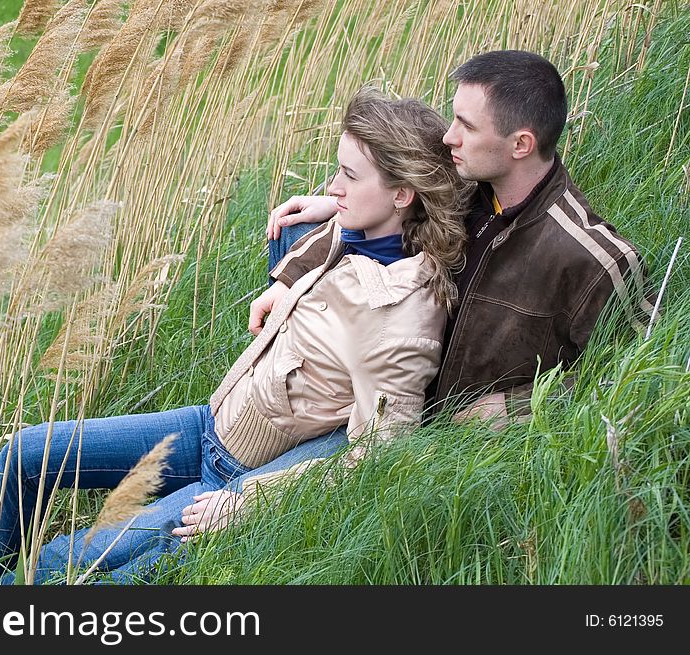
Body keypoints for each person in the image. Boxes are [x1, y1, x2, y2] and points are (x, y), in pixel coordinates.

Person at [0, 87, 470, 584]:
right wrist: (322, 219)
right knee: (26, 456)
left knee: (56, 566)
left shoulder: (396, 320)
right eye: (335, 170)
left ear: (403, 194)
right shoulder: (364, 229)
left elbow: (377, 456)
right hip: (208, 424)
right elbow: (349, 230)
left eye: (348, 177)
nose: (333, 187)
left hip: (230, 479)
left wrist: (249, 501)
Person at [258, 50, 652, 423]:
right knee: (297, 228)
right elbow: (378, 193)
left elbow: (639, 373)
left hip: (426, 429)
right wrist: (294, 273)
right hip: (376, 382)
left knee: (238, 492)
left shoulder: (594, 260)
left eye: (466, 125)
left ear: (521, 144)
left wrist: (517, 407)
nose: (449, 137)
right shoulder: (463, 184)